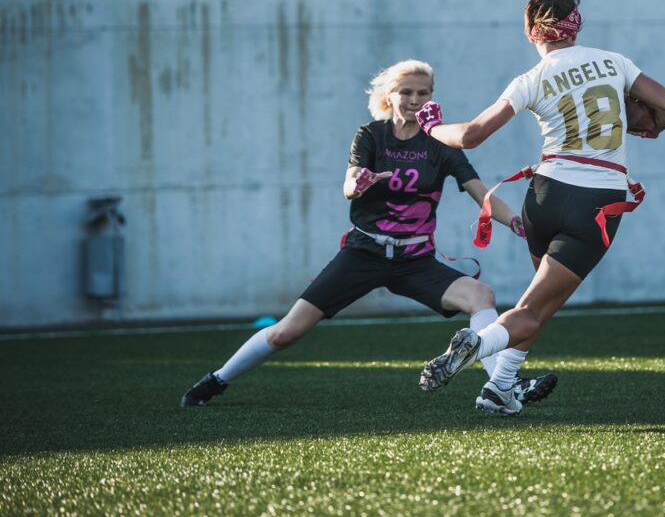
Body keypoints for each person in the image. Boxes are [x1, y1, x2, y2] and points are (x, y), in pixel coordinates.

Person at [181, 59, 556, 408]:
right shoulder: (371, 135)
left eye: (423, 93)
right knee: (285, 333)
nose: (414, 100)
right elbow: (349, 184)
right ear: (389, 95)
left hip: (414, 260)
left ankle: (502, 387)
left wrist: (514, 221)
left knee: (481, 295)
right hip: (364, 253)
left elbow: (481, 194)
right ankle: (217, 379)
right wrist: (358, 183)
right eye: (406, 92)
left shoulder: (441, 143)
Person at [413, 0, 665, 415]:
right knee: (534, 309)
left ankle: (499, 389)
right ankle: (478, 344)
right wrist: (649, 126)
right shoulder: (613, 62)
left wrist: (431, 128)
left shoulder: (531, 79)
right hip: (596, 202)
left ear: (531, 31)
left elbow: (471, 135)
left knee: (538, 303)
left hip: (544, 195)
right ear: (575, 26)